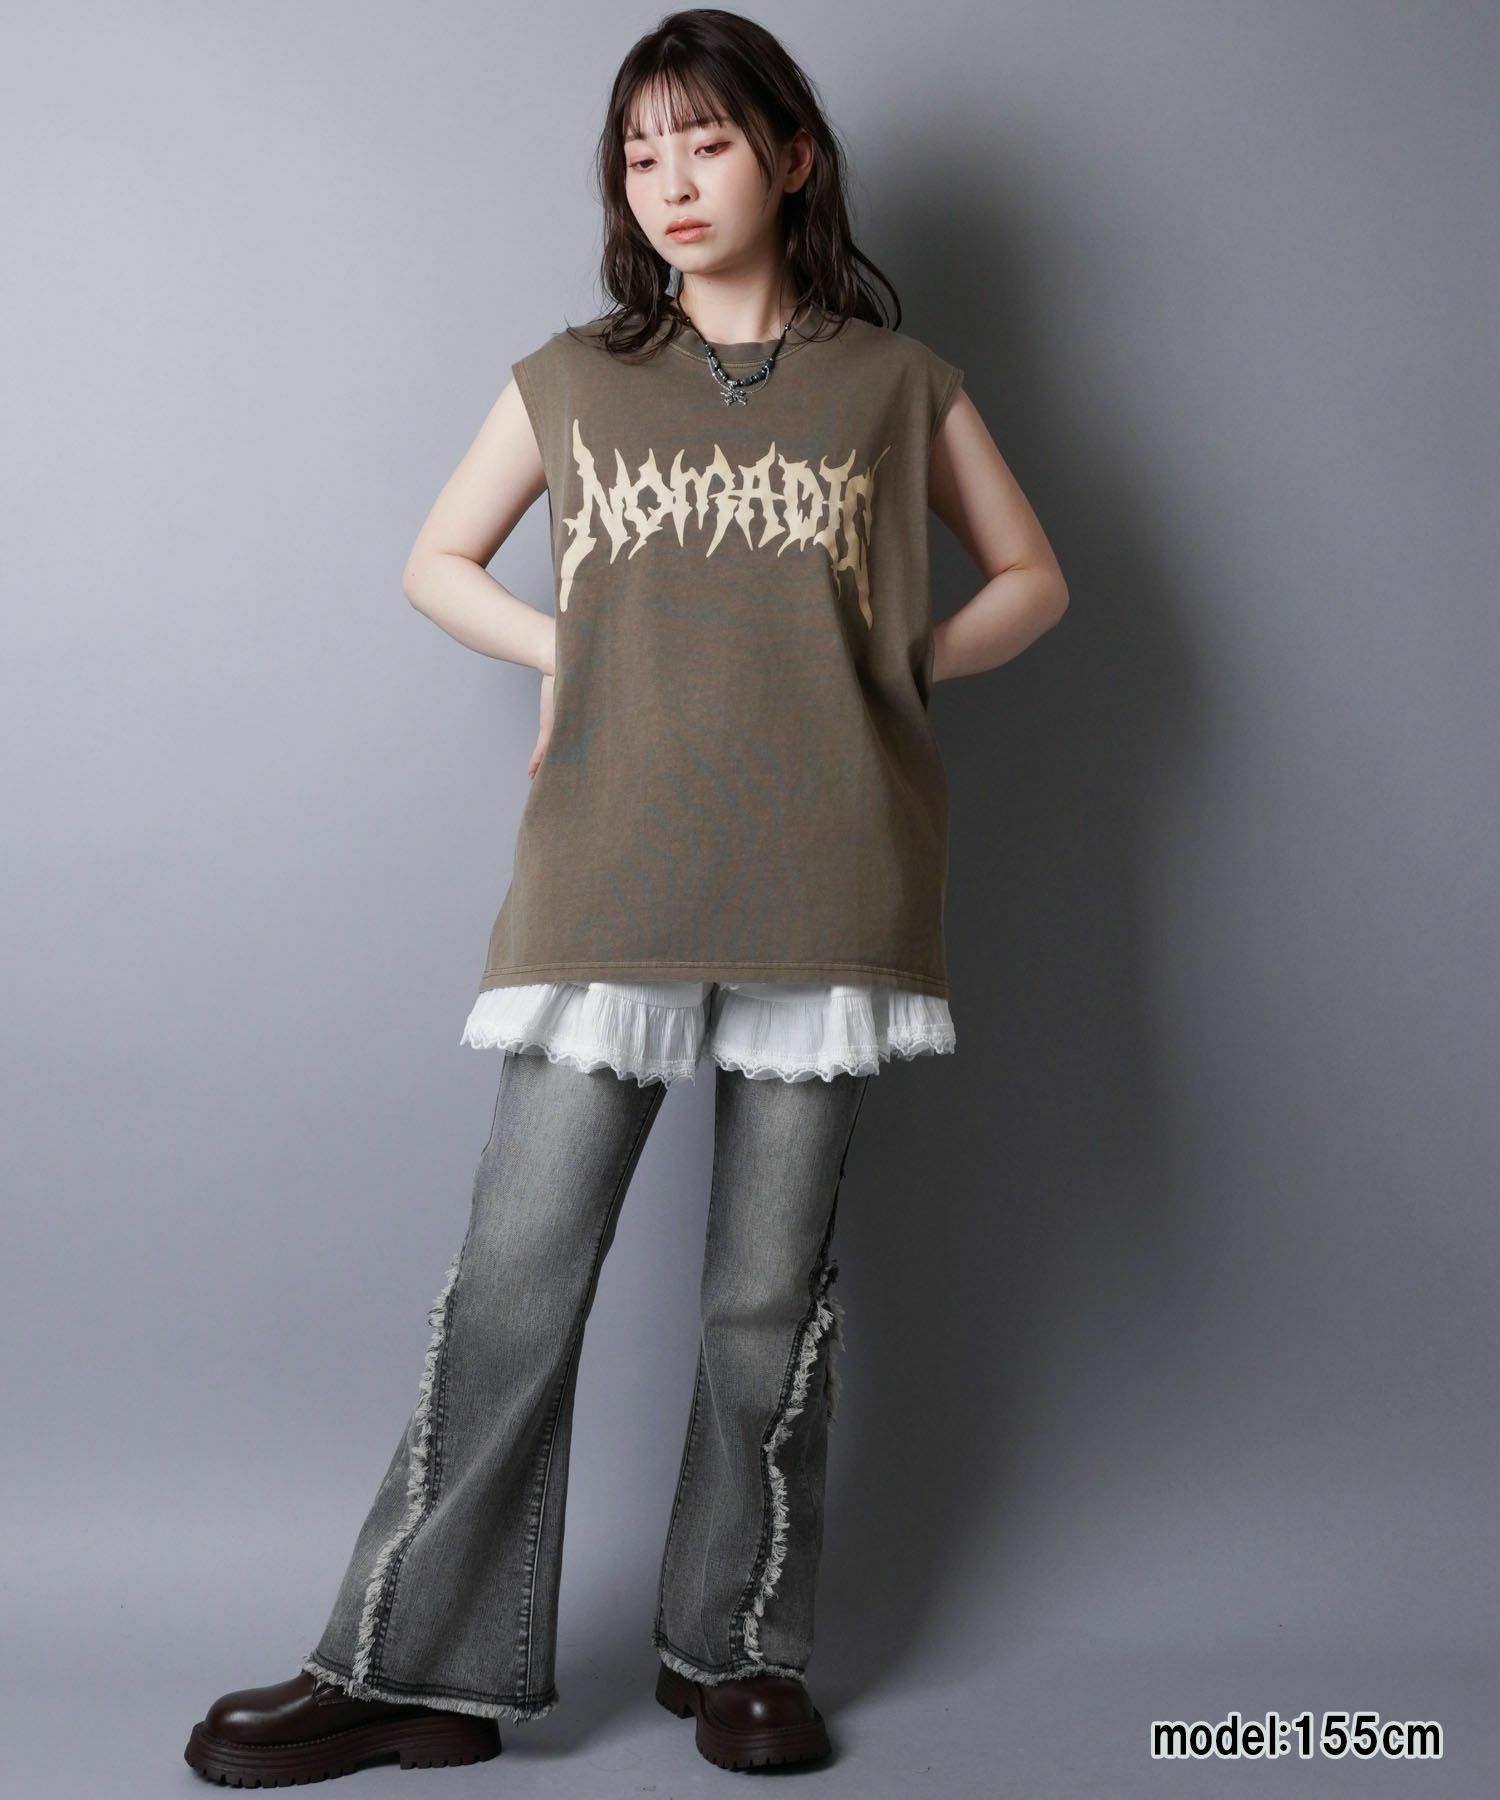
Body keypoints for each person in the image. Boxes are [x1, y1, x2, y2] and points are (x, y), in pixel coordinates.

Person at [184, 7, 1068, 1785]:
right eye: (641, 151)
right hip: (613, 869)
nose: (671, 180)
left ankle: (733, 1651)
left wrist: (885, 667)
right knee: (518, 1279)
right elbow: (438, 560)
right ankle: (417, 1665)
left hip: (832, 872)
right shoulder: (576, 378)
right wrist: (574, 656)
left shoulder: (897, 385)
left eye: (708, 142)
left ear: (791, 158)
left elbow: (1032, 579)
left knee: (764, 1298)